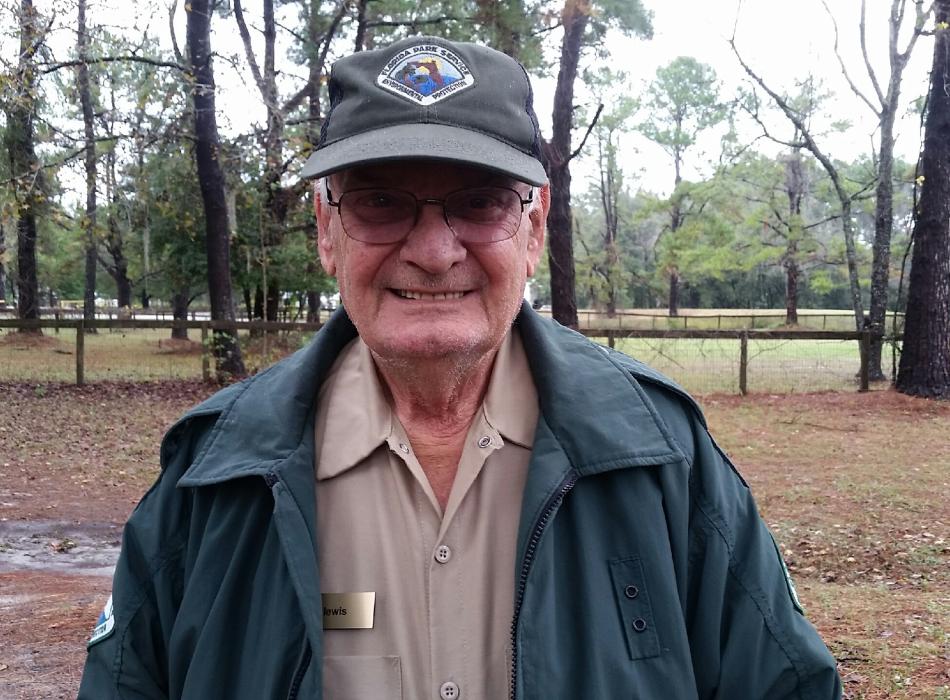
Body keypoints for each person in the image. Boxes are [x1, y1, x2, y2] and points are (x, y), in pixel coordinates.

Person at [79, 35, 842, 700]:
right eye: (380, 203)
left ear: (534, 225)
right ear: (326, 230)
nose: (435, 250)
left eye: (479, 204)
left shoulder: (663, 458)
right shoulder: (212, 476)